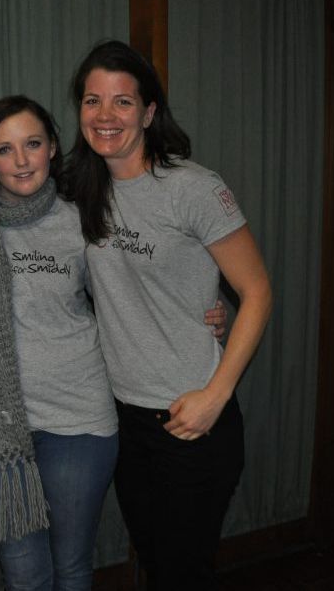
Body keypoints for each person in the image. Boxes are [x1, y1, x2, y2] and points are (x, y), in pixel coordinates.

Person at [0, 96, 227, 591]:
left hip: (79, 421)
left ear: (54, 148)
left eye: (33, 144)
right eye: (4, 149)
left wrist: (206, 314)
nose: (21, 161)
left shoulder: (84, 216)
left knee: (71, 568)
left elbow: (140, 285)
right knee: (24, 576)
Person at [63, 40, 273, 591]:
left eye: (122, 102)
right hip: (124, 420)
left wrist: (216, 394)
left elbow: (257, 292)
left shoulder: (193, 188)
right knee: (158, 563)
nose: (105, 116)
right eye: (92, 101)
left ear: (150, 112)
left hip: (192, 417)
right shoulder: (81, 189)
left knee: (183, 573)